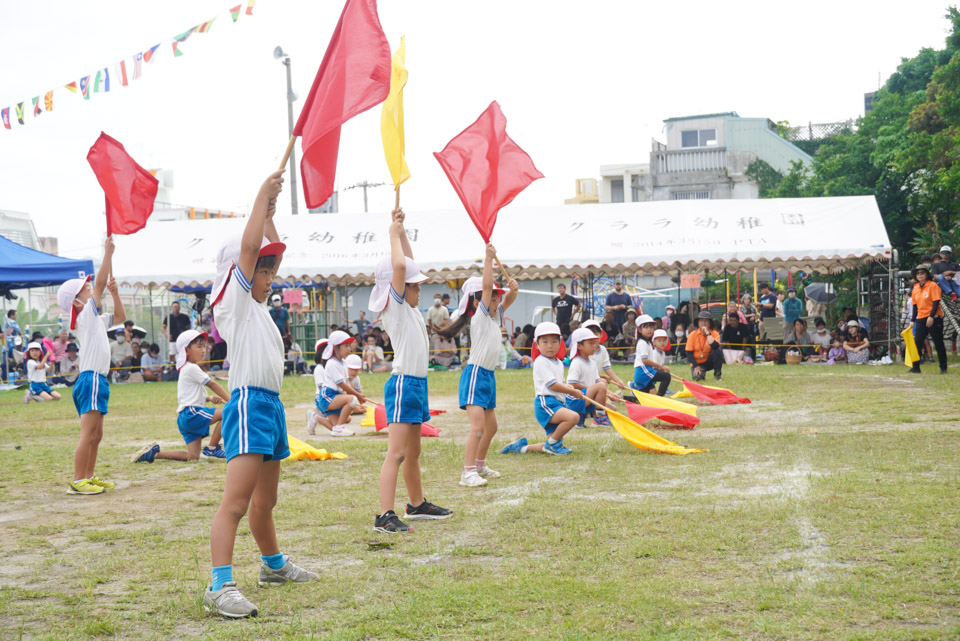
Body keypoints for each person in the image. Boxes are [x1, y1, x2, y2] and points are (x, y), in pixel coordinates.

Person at [203, 170, 317, 619]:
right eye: (263, 270)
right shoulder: (232, 301)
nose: (270, 275)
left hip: (270, 407)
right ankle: (219, 585)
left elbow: (266, 249)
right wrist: (258, 198)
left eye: (271, 270)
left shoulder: (258, 308)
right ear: (240, 273)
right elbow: (250, 250)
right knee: (235, 503)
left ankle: (272, 566)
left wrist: (270, 215)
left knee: (266, 502)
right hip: (249, 404)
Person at [370, 207, 452, 534]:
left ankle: (417, 504)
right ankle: (385, 514)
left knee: (414, 451)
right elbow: (401, 266)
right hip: (403, 384)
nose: (419, 289)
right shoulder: (397, 306)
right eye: (414, 285)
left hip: (417, 384)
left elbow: (408, 261)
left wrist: (402, 231)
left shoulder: (413, 309)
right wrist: (392, 233)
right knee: (398, 453)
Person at [56, 237, 123, 496]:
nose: (91, 291)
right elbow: (100, 283)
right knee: (88, 434)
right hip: (91, 379)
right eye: (86, 290)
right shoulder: (85, 315)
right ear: (76, 301)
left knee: (96, 435)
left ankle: (89, 476)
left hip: (97, 380)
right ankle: (78, 480)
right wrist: (107, 254)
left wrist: (116, 295)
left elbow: (119, 318)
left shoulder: (93, 318)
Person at [447, 247, 519, 488]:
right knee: (478, 427)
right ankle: (467, 473)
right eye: (493, 297)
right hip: (476, 375)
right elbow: (487, 288)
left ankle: (479, 464)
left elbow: (508, 298)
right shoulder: (478, 318)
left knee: (492, 427)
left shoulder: (493, 317)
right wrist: (488, 260)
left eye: (498, 298)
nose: (497, 300)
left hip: (488, 376)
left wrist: (513, 289)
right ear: (477, 301)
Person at [131, 329, 229, 463]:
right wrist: (231, 401)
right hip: (192, 414)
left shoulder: (186, 369)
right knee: (229, 411)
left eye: (204, 346)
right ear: (186, 350)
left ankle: (153, 454)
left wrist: (209, 398)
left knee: (192, 456)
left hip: (184, 417)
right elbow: (213, 384)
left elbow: (188, 395)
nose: (203, 350)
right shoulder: (192, 368)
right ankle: (212, 447)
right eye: (199, 346)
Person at [501, 322, 583, 456]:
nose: (550, 346)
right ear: (537, 344)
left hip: (557, 403)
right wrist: (572, 391)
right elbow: (552, 385)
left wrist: (567, 386)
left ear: (560, 343)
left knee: (554, 442)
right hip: (546, 403)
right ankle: (552, 445)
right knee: (573, 417)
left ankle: (520, 448)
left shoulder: (558, 362)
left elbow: (558, 382)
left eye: (554, 342)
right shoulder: (541, 361)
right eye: (545, 342)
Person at [563, 327, 619, 427]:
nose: (594, 346)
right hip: (575, 401)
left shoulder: (592, 363)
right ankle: (599, 417)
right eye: (591, 343)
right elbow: (571, 384)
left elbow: (597, 382)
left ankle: (582, 417)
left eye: (595, 343)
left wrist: (610, 394)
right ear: (580, 346)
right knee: (601, 385)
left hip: (587, 397)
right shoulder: (576, 362)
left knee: (613, 409)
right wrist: (590, 389)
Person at [313, 330, 364, 436]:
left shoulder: (344, 363)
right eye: (346, 346)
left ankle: (315, 418)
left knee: (336, 424)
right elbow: (342, 385)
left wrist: (355, 398)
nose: (349, 349)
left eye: (349, 346)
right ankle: (339, 428)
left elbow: (347, 382)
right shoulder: (332, 363)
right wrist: (357, 395)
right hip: (328, 396)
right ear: (336, 348)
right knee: (352, 399)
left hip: (336, 396)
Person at [910, 264, 947, 374]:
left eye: (922, 273)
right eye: (918, 273)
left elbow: (936, 302)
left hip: (934, 318)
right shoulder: (915, 288)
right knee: (917, 342)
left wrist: (931, 317)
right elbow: (915, 306)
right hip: (920, 318)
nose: (920, 275)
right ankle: (915, 367)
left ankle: (943, 367)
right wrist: (912, 320)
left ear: (927, 274)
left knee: (938, 343)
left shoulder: (933, 286)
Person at [582, 319, 628, 391]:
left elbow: (607, 368)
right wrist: (602, 377)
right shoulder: (584, 352)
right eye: (590, 335)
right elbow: (586, 374)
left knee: (603, 381)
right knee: (603, 381)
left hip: (596, 380)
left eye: (596, 334)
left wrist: (618, 381)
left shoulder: (603, 349)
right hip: (585, 383)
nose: (593, 338)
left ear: (601, 335)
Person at [631, 315, 672, 396]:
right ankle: (660, 398)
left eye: (651, 327)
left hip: (643, 372)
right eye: (646, 327)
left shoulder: (648, 342)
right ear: (639, 330)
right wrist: (658, 366)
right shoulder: (642, 343)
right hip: (643, 372)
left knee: (644, 399)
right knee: (666, 377)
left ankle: (623, 397)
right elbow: (644, 360)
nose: (649, 330)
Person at [686, 310, 723, 381]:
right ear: (698, 322)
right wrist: (696, 366)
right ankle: (699, 372)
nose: (703, 323)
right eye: (701, 321)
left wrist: (707, 333)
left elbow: (715, 346)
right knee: (698, 379)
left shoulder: (714, 333)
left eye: (706, 321)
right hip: (697, 363)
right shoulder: (692, 334)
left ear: (710, 323)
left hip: (709, 361)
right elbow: (688, 354)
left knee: (718, 351)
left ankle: (717, 375)